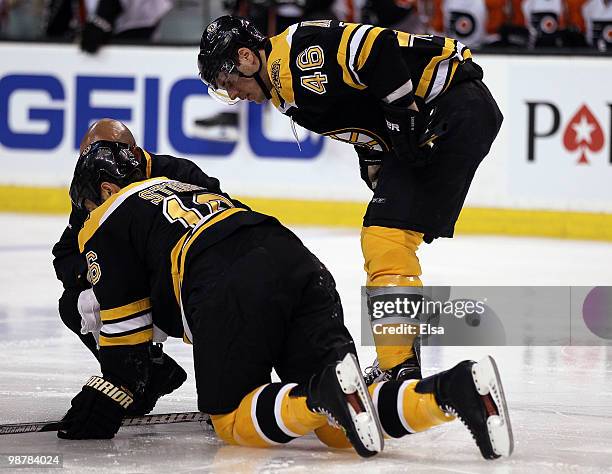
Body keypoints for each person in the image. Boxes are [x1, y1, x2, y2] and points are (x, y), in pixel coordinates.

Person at [57, 140, 513, 462]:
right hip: (292, 255)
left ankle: (321, 394)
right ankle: (452, 391)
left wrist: (113, 393)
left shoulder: (108, 216)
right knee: (339, 432)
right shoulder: (183, 184)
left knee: (231, 419)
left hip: (227, 278)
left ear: (102, 189)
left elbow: (126, 335)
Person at [196, 16, 504, 384]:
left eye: (229, 83)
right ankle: (400, 357)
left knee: (386, 237)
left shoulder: (296, 56)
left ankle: (399, 365)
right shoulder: (283, 84)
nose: (232, 95)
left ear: (247, 58)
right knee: (385, 237)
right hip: (445, 111)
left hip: (449, 107)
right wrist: (375, 153)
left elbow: (377, 48)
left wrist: (401, 117)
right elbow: (366, 107)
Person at [51, 118, 231, 414]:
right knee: (73, 303)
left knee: (221, 407)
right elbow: (66, 253)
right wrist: (104, 269)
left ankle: (222, 382)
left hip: (185, 286)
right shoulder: (97, 181)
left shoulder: (179, 173)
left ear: (131, 154)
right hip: (131, 292)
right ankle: (144, 371)